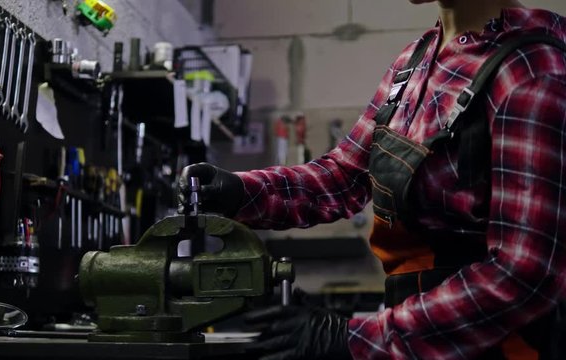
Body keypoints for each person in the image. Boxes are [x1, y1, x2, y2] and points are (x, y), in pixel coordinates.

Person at [178, 0, 566, 359]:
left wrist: (352, 338)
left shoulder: (530, 70)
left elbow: (525, 272)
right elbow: (345, 175)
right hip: (413, 331)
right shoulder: (415, 60)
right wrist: (241, 191)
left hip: (496, 345)